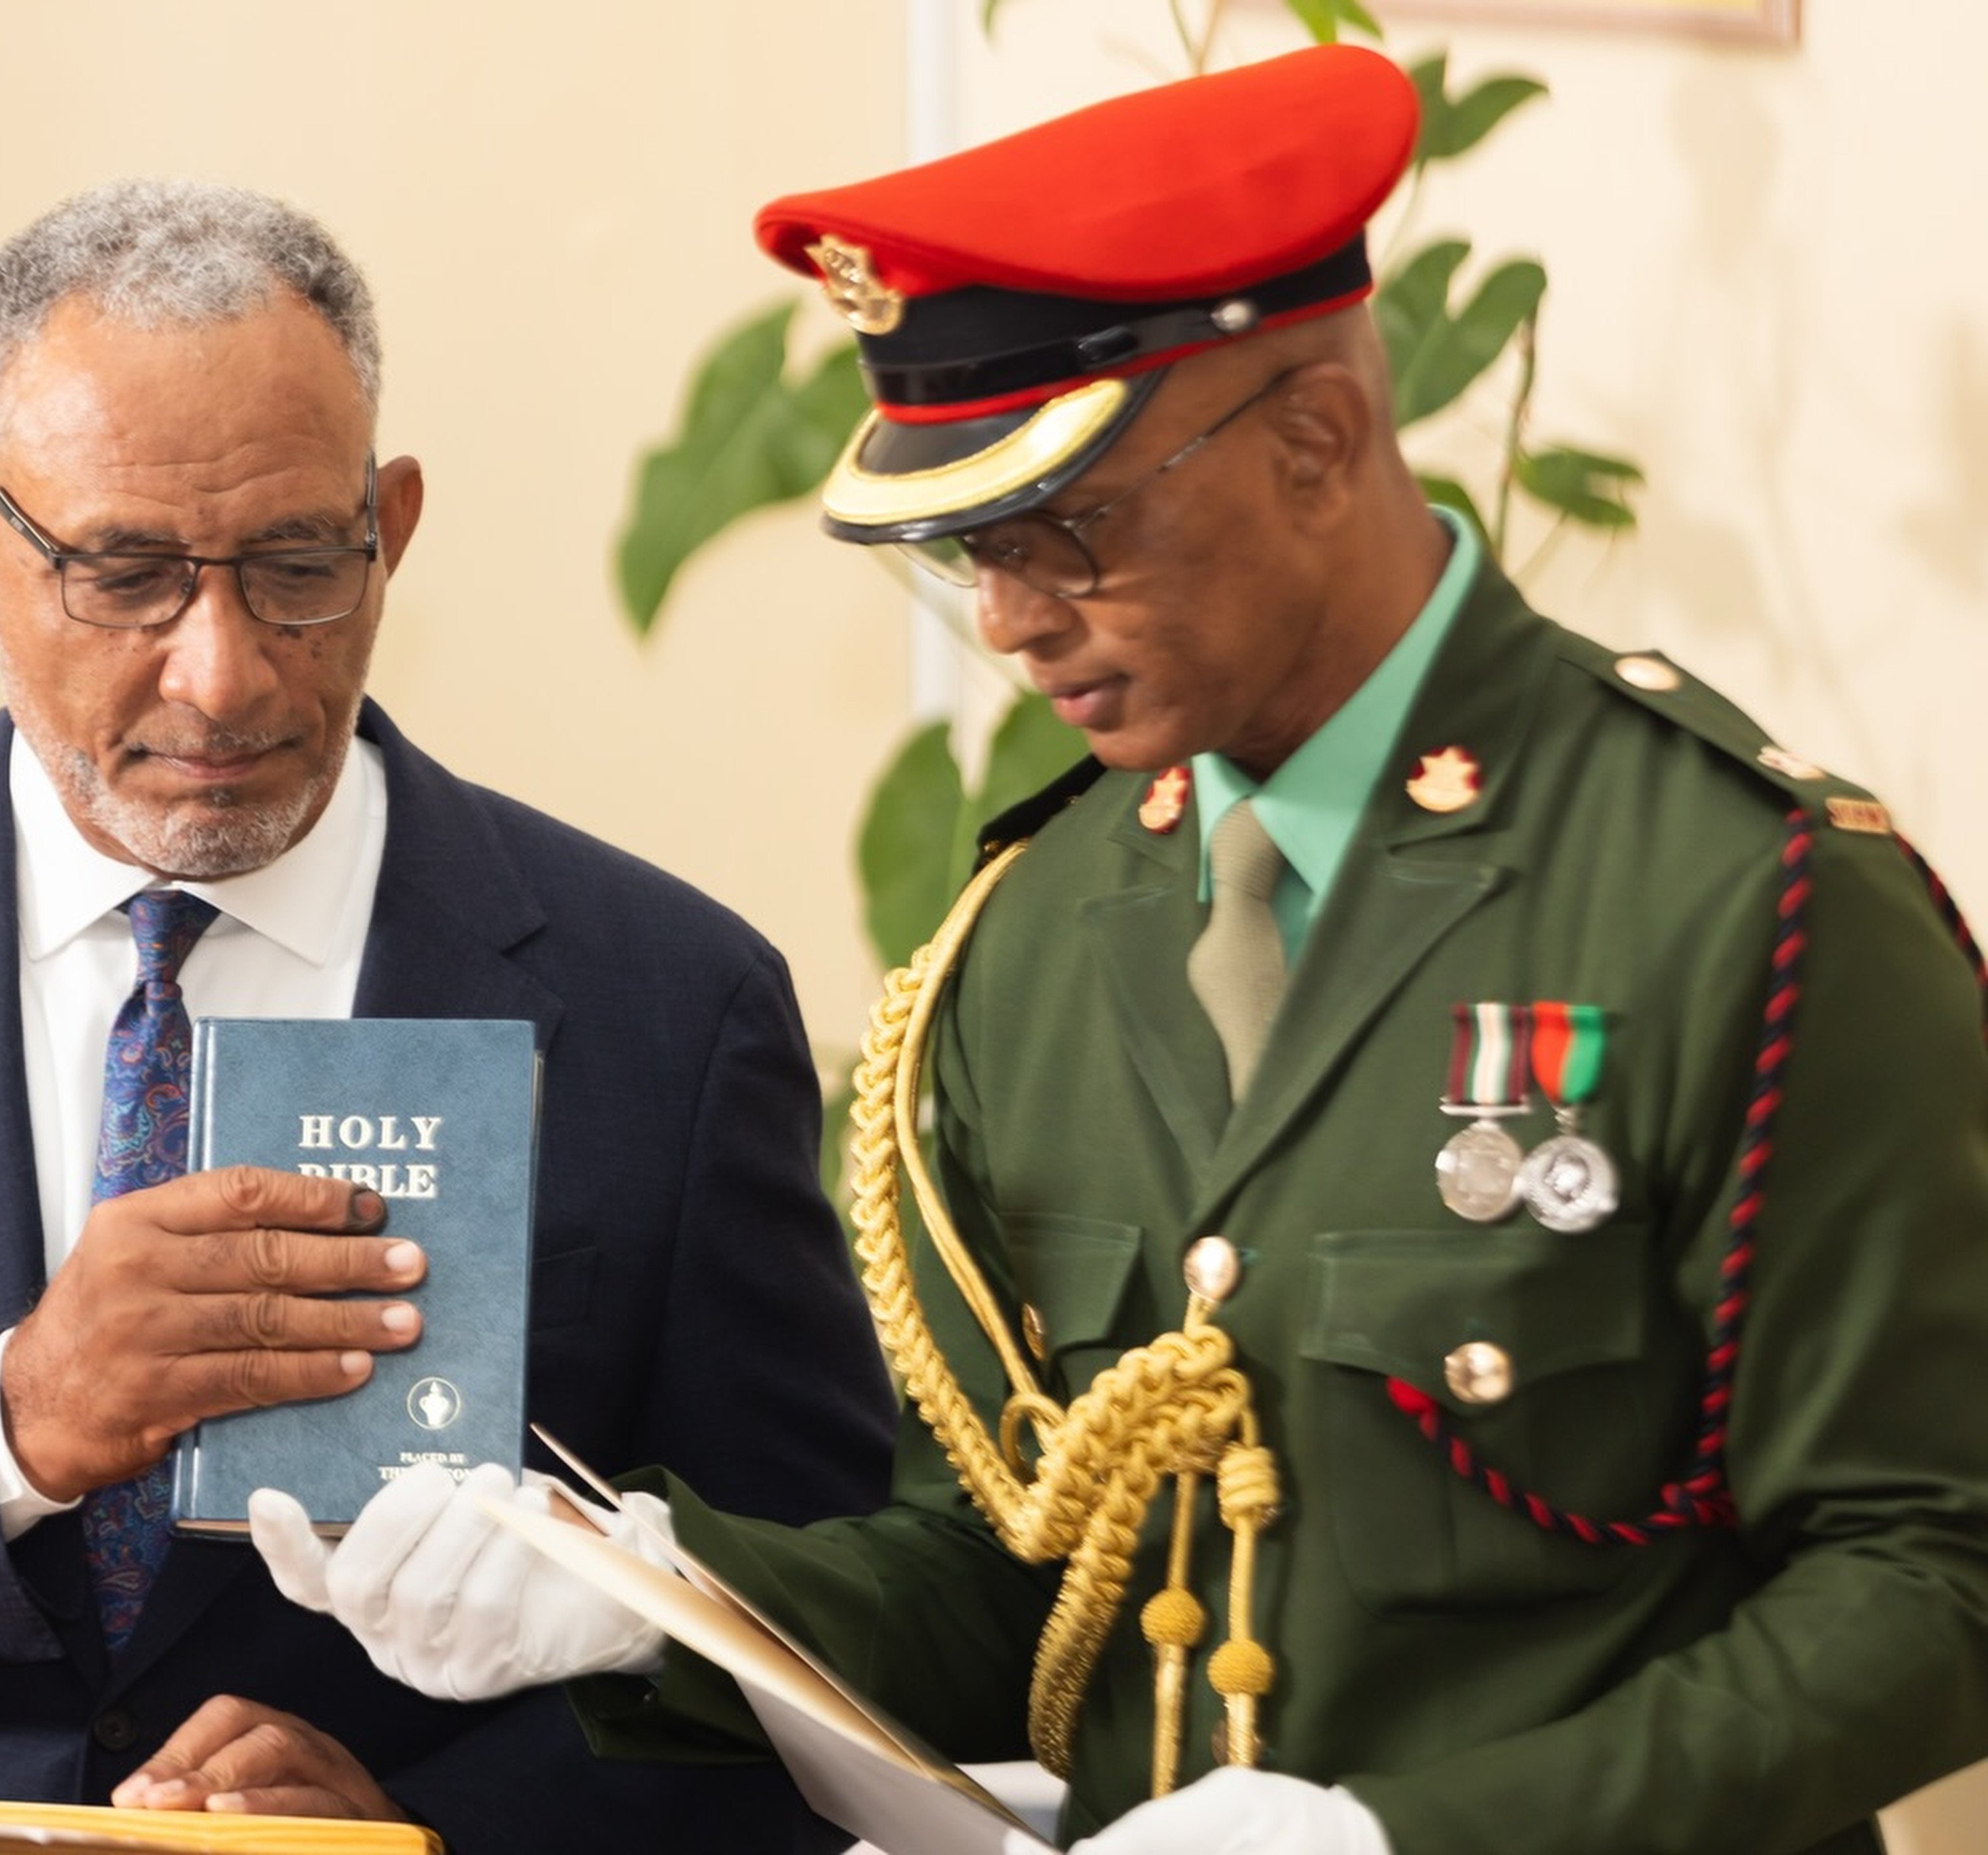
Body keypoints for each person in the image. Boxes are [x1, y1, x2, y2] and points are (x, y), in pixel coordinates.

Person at [245, 46, 1988, 1855]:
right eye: (964, 551)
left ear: (1317, 439)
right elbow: (1016, 1582)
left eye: (1065, 528)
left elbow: (1938, 1574)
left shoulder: (1743, 896)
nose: (1007, 621)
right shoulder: (1043, 934)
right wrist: (660, 1602)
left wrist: (1405, 1840)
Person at [0, 179, 894, 1854]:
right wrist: (16, 1418)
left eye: (293, 565)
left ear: (388, 533)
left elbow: (828, 1648)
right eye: (125, 575)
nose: (225, 673)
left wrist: (427, 1824)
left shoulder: (663, 997)